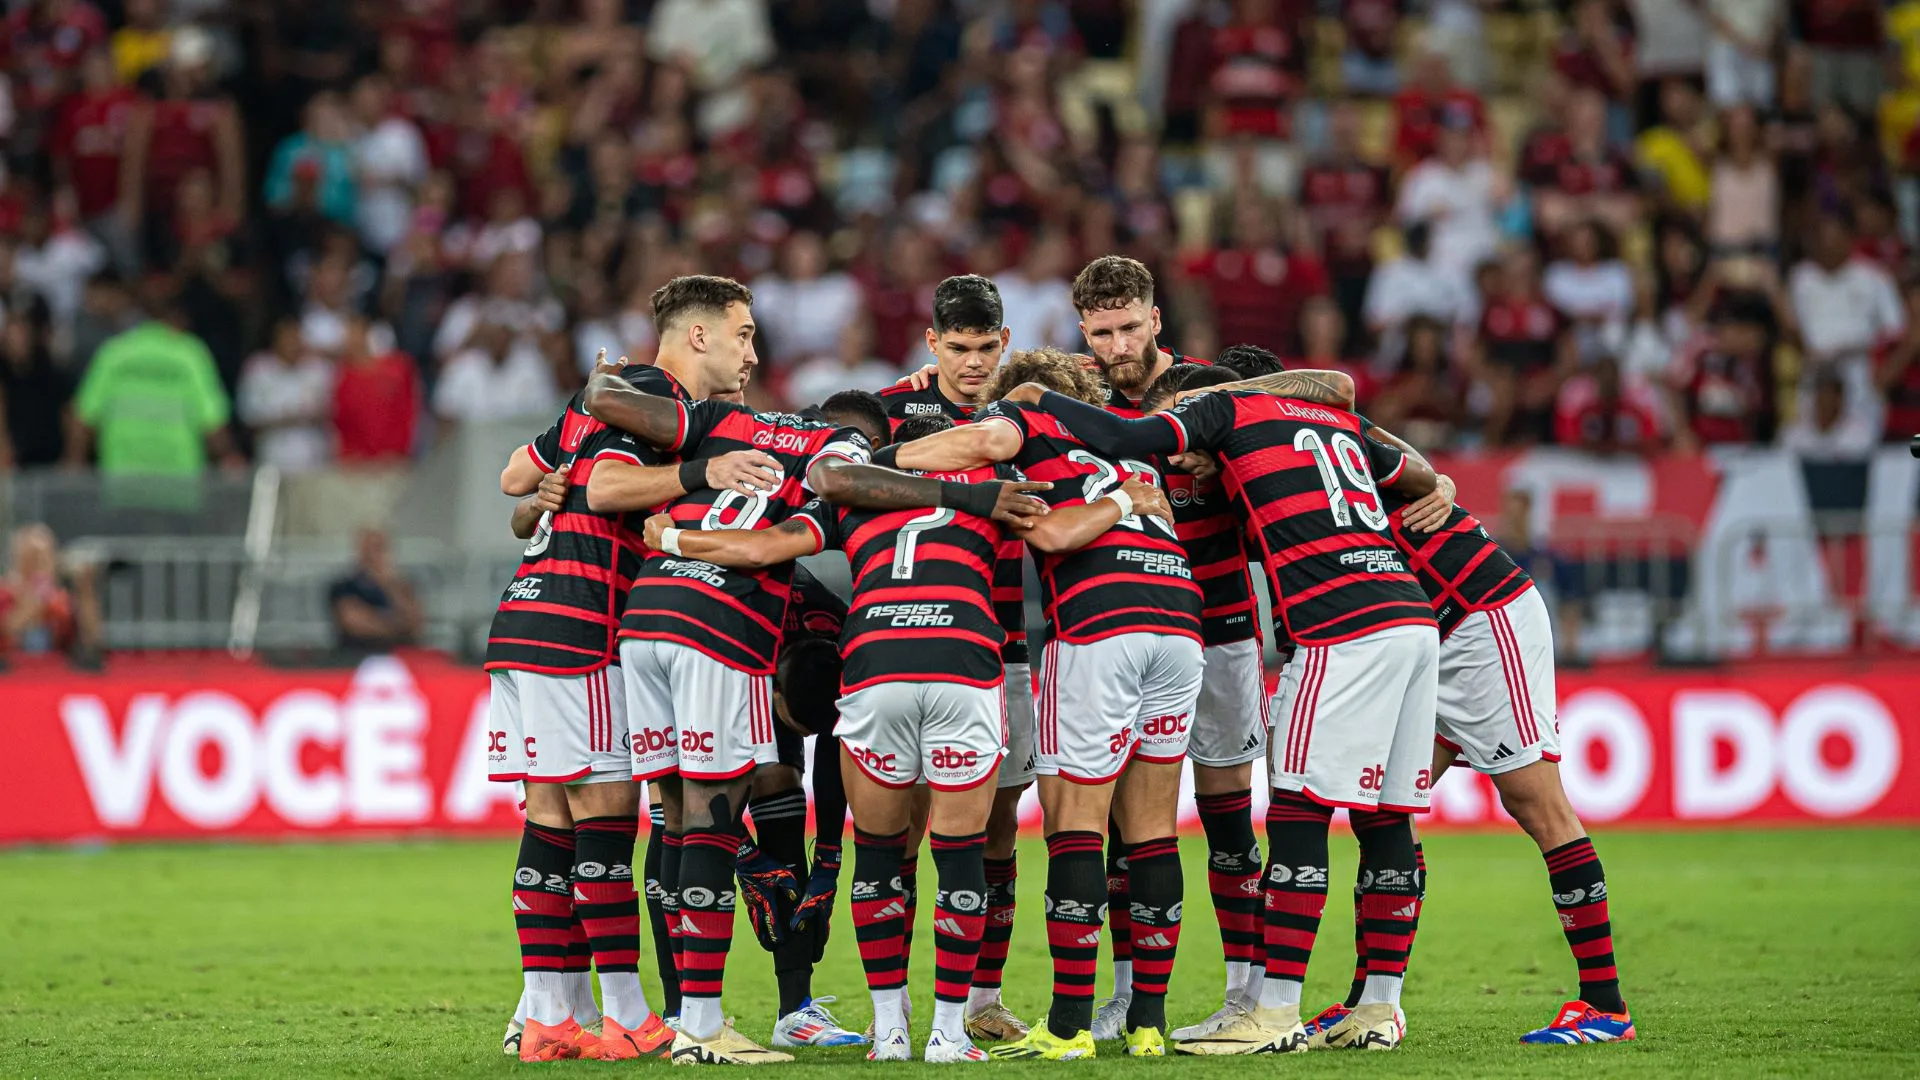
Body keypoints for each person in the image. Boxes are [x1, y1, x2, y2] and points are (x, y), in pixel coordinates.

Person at [579, 284, 1049, 1066]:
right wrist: (969, 493)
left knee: (676, 815)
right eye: (744, 335)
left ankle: (673, 1013)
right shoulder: (851, 463)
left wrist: (666, 512)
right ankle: (721, 1024)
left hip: (648, 620)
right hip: (768, 636)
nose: (755, 352)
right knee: (743, 820)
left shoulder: (740, 423)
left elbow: (633, 433)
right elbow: (828, 490)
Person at [631, 410, 1133, 1061]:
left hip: (875, 661)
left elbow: (756, 549)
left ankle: (890, 1033)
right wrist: (1126, 498)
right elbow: (1063, 532)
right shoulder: (996, 486)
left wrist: (673, 540)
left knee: (878, 853)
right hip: (964, 659)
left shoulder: (844, 502)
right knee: (960, 854)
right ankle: (950, 1036)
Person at [1011, 368, 1443, 1054]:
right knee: (1387, 816)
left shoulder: (1223, 413)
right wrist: (1444, 484)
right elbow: (1419, 474)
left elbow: (1123, 432)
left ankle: (1270, 1012)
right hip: (1413, 615)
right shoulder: (1336, 424)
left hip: (1339, 624)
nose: (1183, 460)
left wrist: (1037, 398)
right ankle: (1378, 1010)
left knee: (1297, 810)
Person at [881, 347, 1203, 1060]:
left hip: (1098, 629)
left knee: (1075, 824)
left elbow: (1051, 530)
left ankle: (1067, 1027)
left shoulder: (1031, 426)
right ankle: (1148, 1022)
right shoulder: (1130, 444)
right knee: (1151, 827)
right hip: (1181, 625)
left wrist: (884, 458)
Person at [71, 300, 242, 479]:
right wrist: (228, 456)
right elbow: (213, 422)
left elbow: (83, 417)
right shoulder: (189, 354)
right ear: (178, 319)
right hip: (180, 483)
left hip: (122, 483)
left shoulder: (115, 352)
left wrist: (74, 465)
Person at [879, 275, 1010, 428]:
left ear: (1004, 341)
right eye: (958, 349)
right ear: (933, 343)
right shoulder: (890, 410)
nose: (974, 362)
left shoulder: (1029, 406)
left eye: (987, 348)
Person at [327, 529, 422, 654]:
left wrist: (390, 585)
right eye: (369, 550)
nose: (374, 556)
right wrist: (397, 626)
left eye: (380, 549)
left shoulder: (401, 586)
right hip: (358, 657)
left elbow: (415, 624)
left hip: (400, 658)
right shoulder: (345, 587)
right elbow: (356, 624)